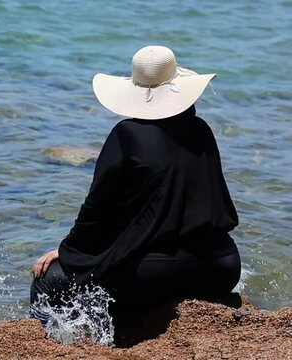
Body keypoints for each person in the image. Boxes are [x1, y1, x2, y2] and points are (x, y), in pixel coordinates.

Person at [30, 46, 241, 323]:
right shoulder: (202, 131)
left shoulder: (127, 136)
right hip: (223, 266)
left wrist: (69, 252)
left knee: (46, 283)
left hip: (160, 271)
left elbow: (96, 211)